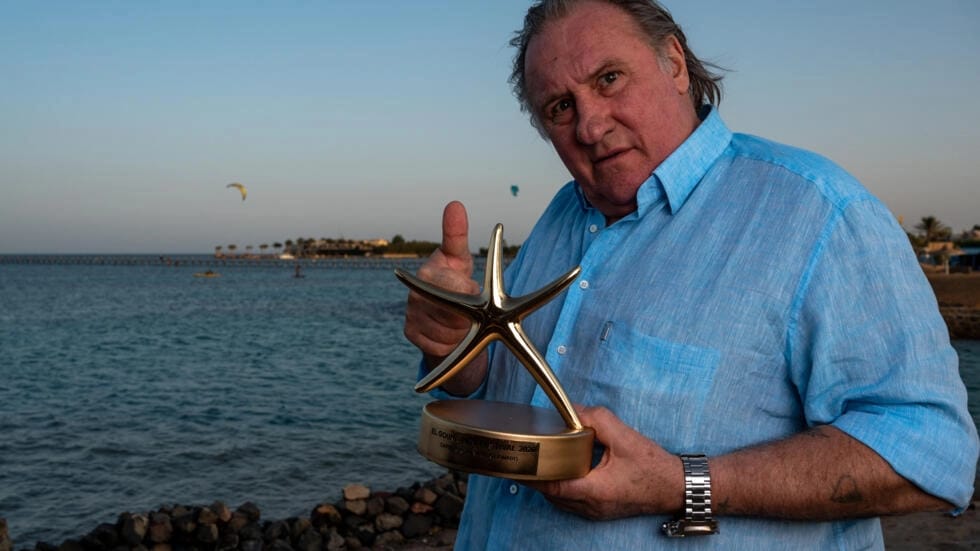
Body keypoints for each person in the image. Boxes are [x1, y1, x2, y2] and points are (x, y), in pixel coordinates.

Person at [402, 1, 978, 549]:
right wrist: (456, 349)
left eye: (609, 79)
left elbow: (932, 454)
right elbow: (502, 396)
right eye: (560, 107)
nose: (590, 126)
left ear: (674, 63)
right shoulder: (558, 218)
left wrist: (682, 484)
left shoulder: (818, 213)